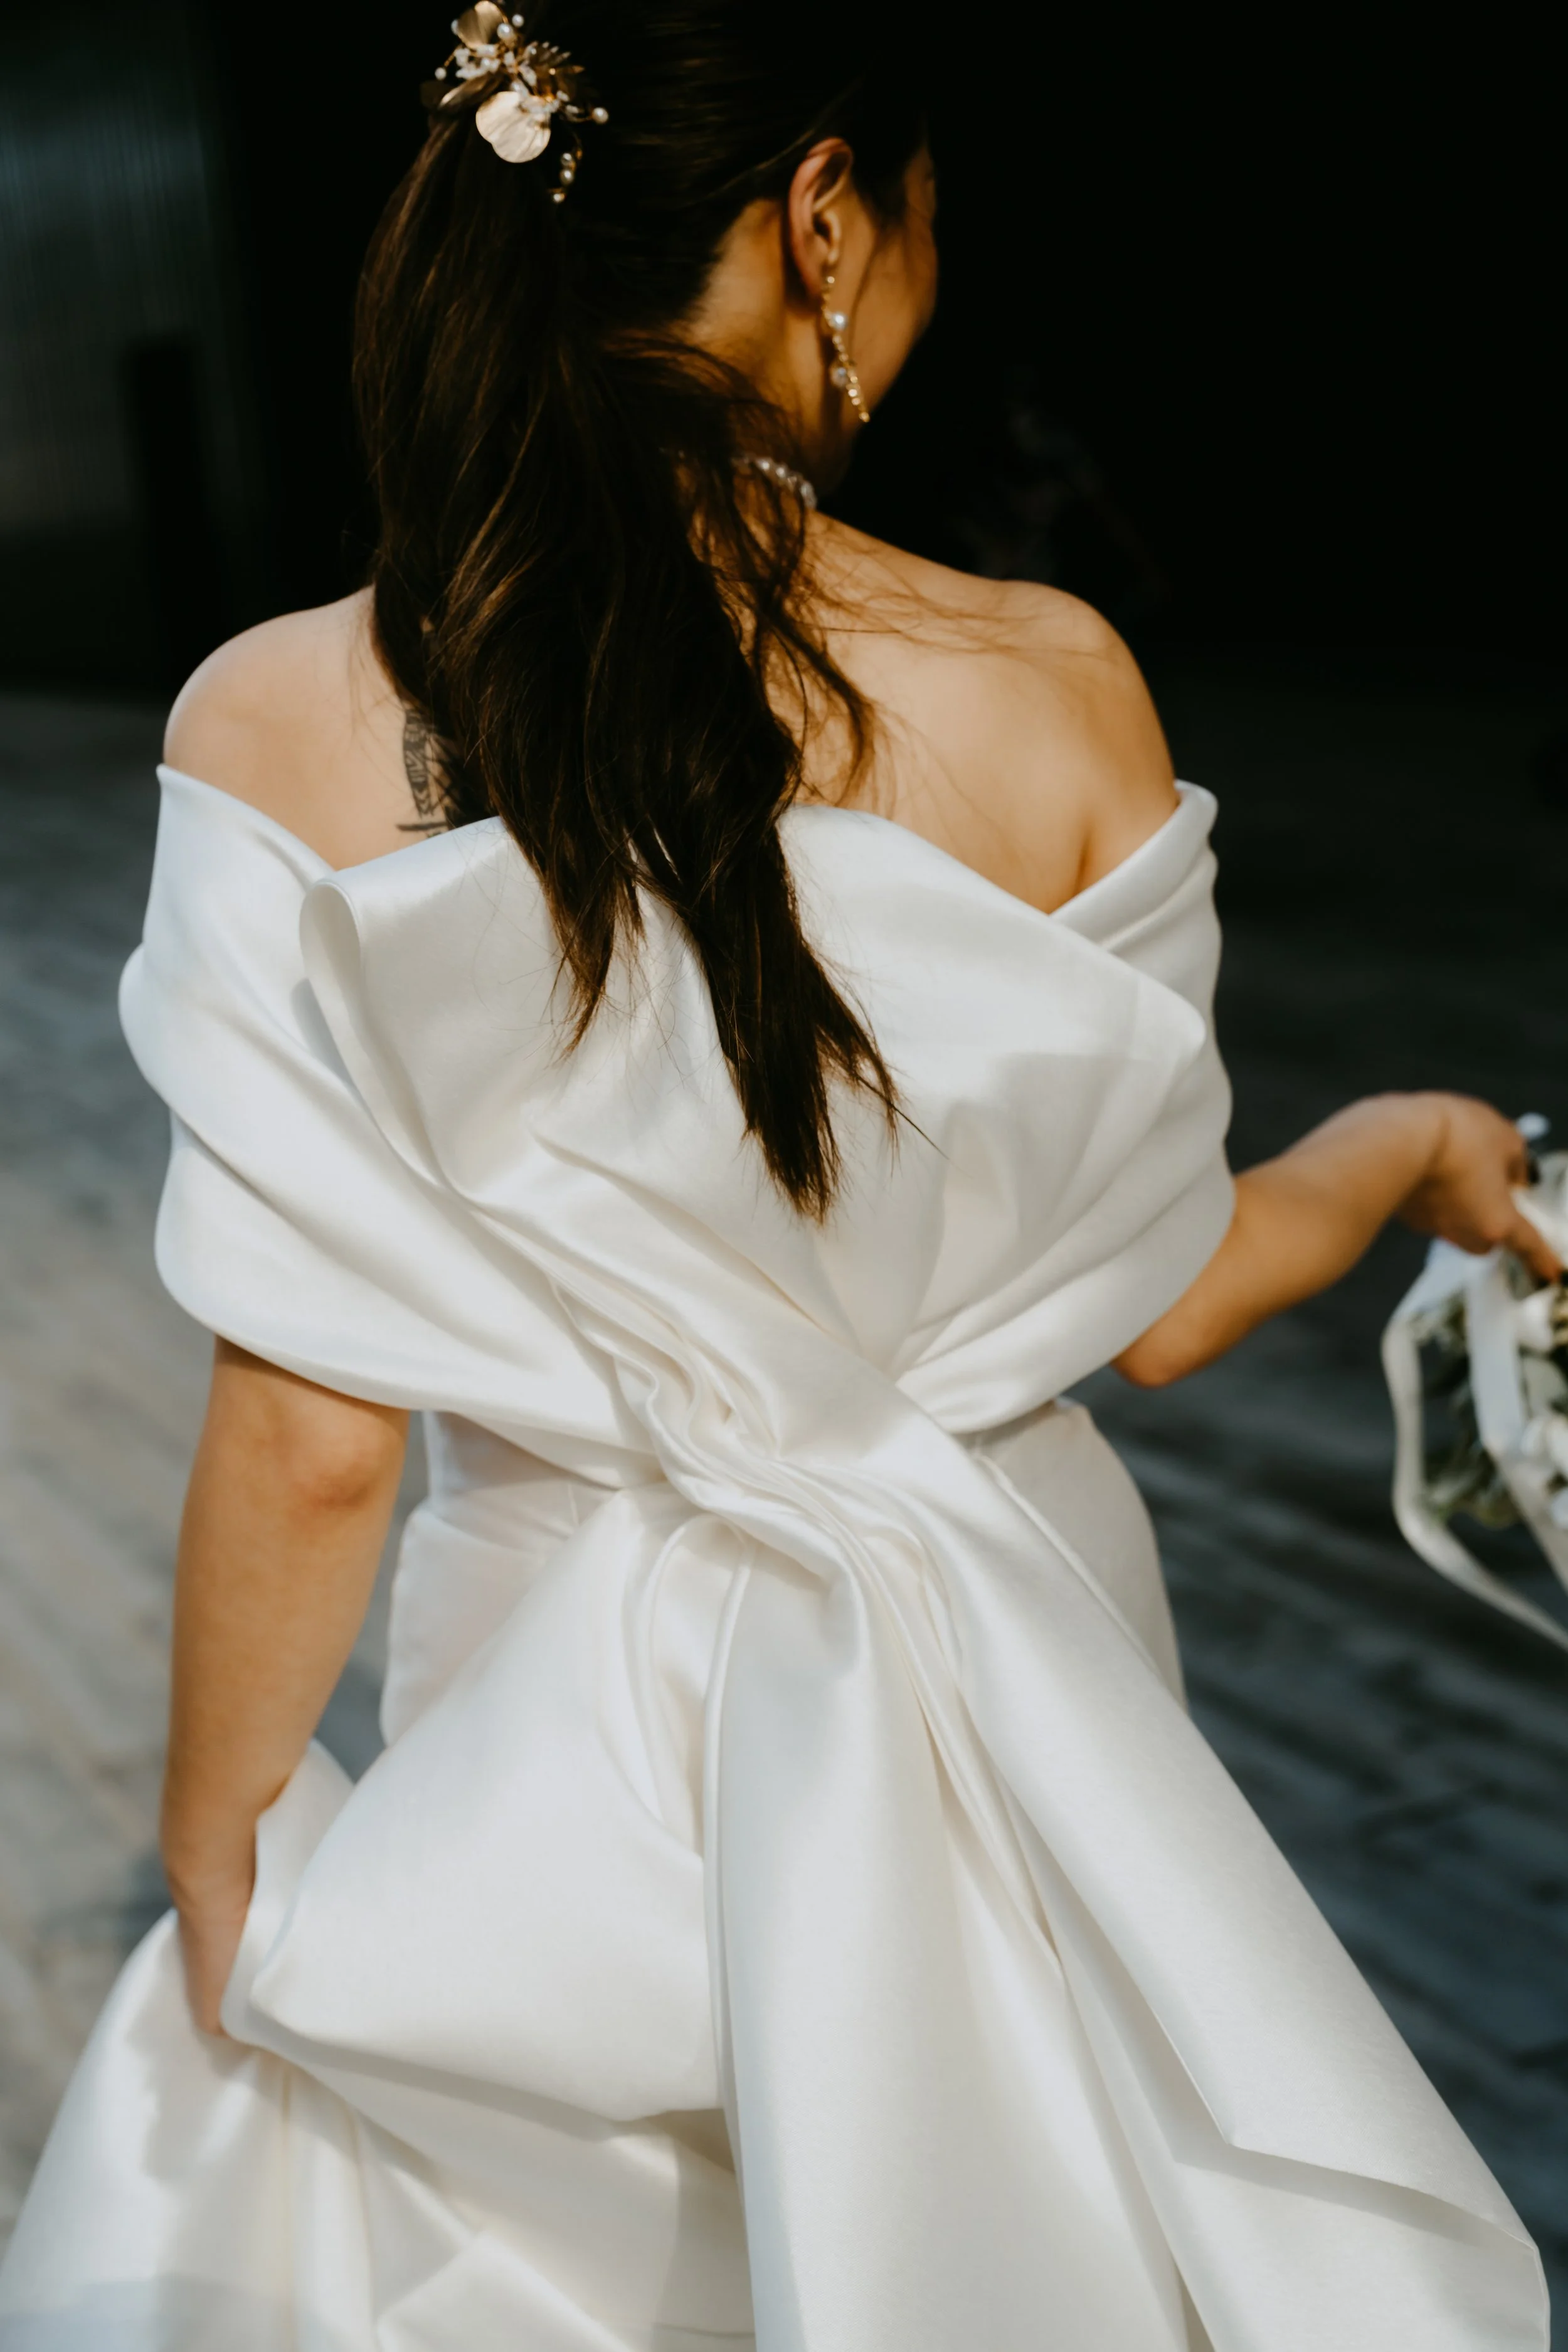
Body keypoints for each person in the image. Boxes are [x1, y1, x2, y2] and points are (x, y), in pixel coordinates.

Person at [0, 4, 1555, 2345]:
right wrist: (1405, 1143)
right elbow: (1150, 1291)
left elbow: (314, 1431)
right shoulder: (1052, 687)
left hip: (561, 1738)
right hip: (1000, 1675)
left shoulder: (282, 716)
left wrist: (216, 1852)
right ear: (828, 216)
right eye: (923, 221)